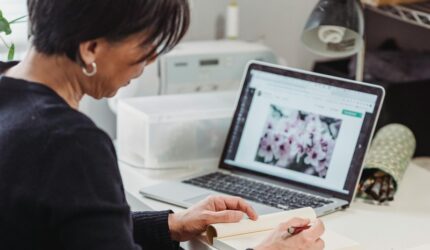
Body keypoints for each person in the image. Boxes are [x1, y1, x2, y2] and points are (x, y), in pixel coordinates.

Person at [0, 0, 325, 249]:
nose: (151, 60)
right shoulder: (71, 143)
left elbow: (69, 231)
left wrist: (173, 223)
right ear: (91, 48)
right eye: (146, 46)